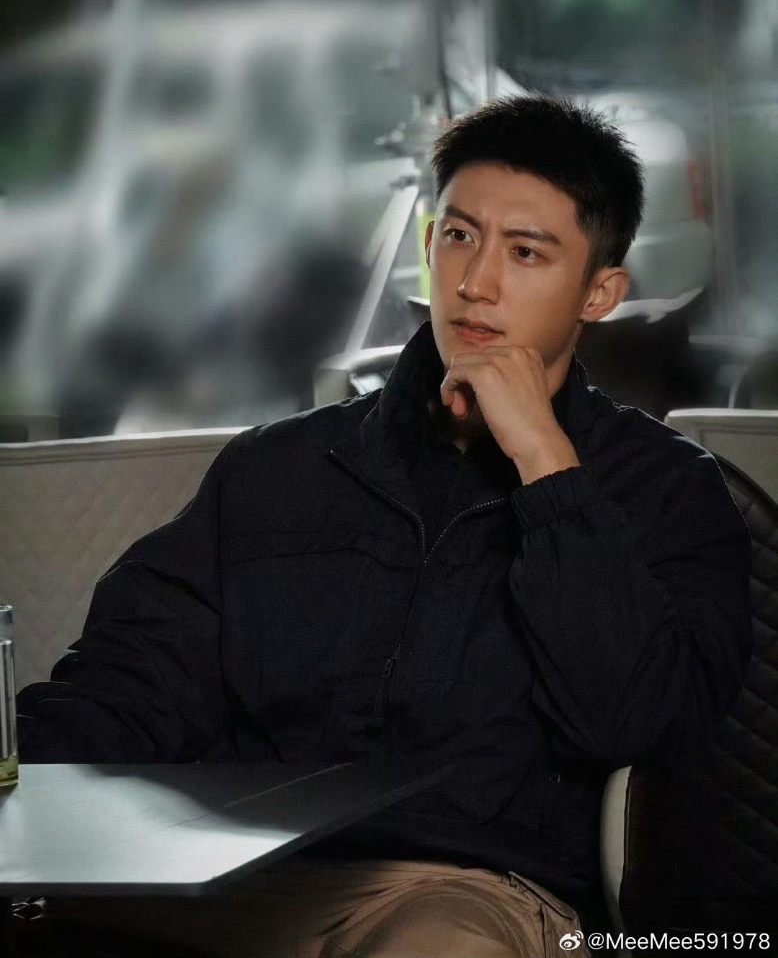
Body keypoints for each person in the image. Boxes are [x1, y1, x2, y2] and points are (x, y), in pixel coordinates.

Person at [15, 96, 752, 958]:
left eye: (525, 252)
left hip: (471, 892)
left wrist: (547, 467)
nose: (476, 282)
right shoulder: (278, 470)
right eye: (459, 236)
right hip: (231, 875)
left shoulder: (665, 491)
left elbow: (640, 723)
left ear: (600, 292)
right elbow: (130, 682)